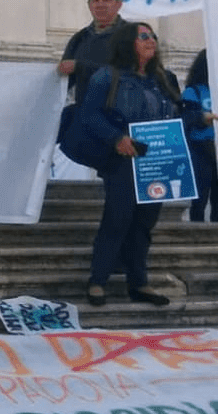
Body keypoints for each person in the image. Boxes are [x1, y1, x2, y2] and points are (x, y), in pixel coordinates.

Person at [77, 21, 195, 306]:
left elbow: (177, 115)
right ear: (128, 42)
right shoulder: (108, 76)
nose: (151, 40)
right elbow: (89, 114)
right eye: (144, 36)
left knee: (144, 223)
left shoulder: (164, 78)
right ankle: (98, 281)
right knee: (117, 218)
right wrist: (116, 137)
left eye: (153, 36)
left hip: (158, 161)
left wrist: (198, 118)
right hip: (124, 160)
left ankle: (139, 282)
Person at [58, 0, 125, 103]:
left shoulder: (132, 35)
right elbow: (65, 82)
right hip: (85, 112)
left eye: (106, 0)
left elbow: (130, 72)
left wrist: (79, 67)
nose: (100, 5)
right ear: (89, 6)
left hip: (120, 109)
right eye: (95, 1)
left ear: (118, 4)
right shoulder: (79, 38)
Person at [184, 50, 217, 223]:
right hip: (201, 148)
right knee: (200, 197)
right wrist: (204, 118)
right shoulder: (193, 91)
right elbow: (187, 118)